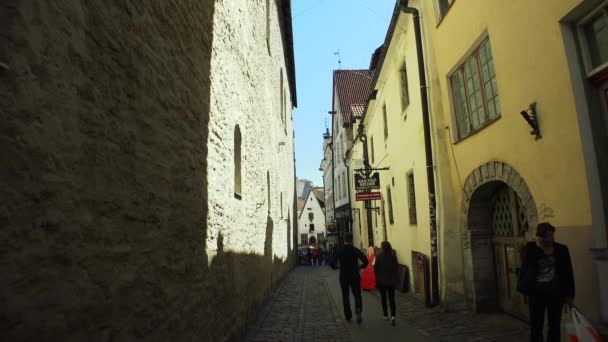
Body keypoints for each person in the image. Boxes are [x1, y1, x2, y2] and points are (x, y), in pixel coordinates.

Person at [517, 222, 575, 342]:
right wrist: (539, 248)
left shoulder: (561, 249)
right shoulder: (531, 250)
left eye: (552, 235)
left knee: (554, 326)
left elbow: (568, 273)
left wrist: (570, 295)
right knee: (536, 325)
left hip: (556, 294)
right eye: (548, 236)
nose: (551, 238)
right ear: (540, 236)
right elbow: (527, 268)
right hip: (537, 294)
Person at [330, 234, 368, 324]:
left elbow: (331, 263)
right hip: (354, 275)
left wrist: (337, 267)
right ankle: (358, 311)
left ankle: (348, 315)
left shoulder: (341, 251)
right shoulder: (355, 250)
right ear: (351, 240)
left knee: (345, 296)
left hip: (344, 276)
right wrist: (361, 266)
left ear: (344, 240)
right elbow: (366, 261)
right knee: (357, 294)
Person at [374, 241, 399, 326]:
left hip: (382, 281)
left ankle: (385, 314)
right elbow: (396, 267)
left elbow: (376, 268)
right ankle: (393, 316)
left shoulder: (379, 256)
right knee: (391, 299)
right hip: (391, 281)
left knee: (383, 298)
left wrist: (377, 278)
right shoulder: (393, 256)